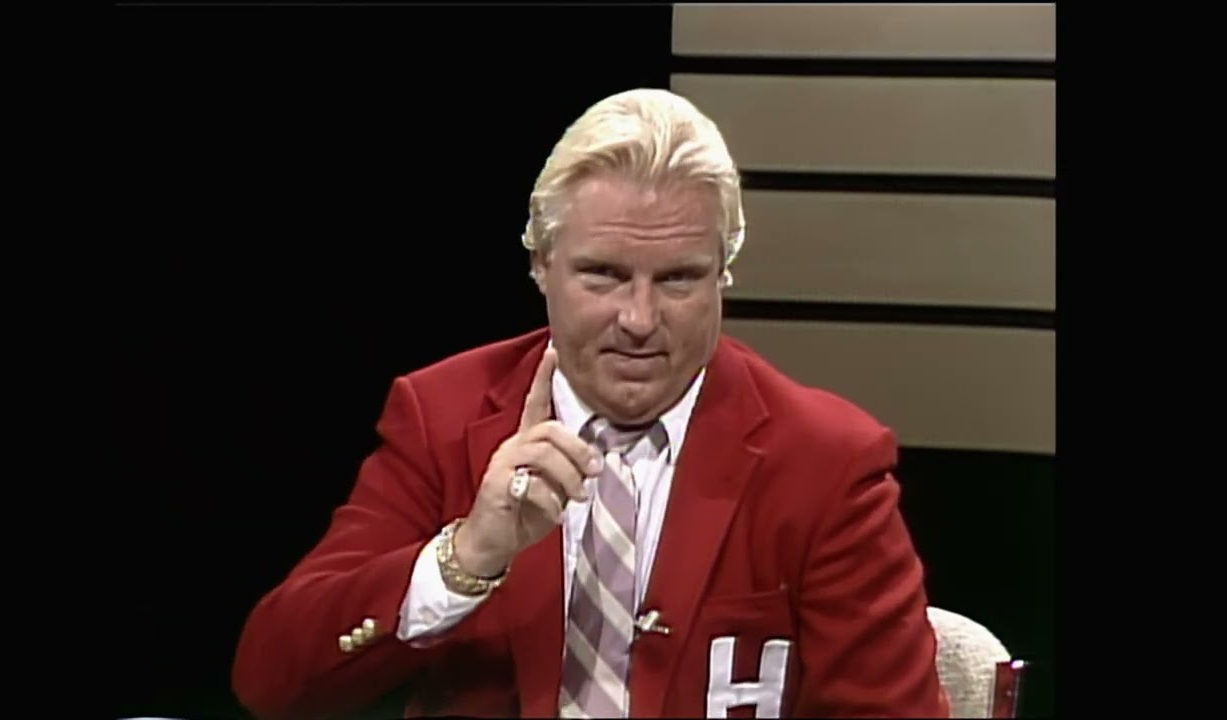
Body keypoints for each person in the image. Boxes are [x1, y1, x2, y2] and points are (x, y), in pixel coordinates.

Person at [232, 88, 949, 719]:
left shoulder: (825, 463)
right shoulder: (442, 419)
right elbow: (272, 682)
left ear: (722, 276)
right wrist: (466, 557)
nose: (639, 319)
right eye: (603, 275)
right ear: (541, 265)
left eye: (678, 279)